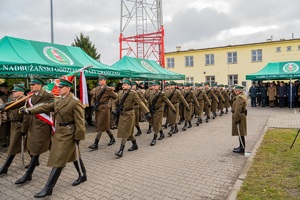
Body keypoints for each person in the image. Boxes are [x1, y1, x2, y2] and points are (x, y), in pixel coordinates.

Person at [20, 78, 86, 198]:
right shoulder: (58, 100)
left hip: (69, 133)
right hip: (59, 132)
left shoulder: (75, 102)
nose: (58, 89)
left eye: (61, 87)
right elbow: (45, 107)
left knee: (59, 159)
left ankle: (48, 188)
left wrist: (78, 137)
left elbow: (80, 122)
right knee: (73, 154)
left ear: (68, 88)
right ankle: (83, 175)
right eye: (58, 87)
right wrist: (29, 111)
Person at [15, 76, 55, 185]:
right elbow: (22, 104)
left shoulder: (47, 95)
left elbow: (54, 106)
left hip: (43, 125)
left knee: (37, 149)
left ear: (40, 85)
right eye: (31, 85)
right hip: (33, 124)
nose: (32, 86)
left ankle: (28, 174)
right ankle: (60, 162)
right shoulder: (31, 96)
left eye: (34, 84)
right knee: (52, 146)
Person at [113, 79, 150, 157]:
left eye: (125, 84)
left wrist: (147, 112)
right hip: (122, 114)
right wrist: (114, 110)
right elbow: (115, 102)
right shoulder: (120, 93)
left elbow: (140, 102)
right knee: (129, 132)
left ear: (129, 86)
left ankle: (121, 150)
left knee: (125, 132)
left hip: (129, 114)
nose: (123, 85)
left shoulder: (133, 93)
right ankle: (135, 145)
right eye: (123, 84)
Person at [0, 84, 27, 175]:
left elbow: (14, 105)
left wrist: (5, 104)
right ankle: (36, 161)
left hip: (20, 124)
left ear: (21, 92)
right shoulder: (15, 99)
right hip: (13, 124)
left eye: (16, 91)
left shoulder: (23, 100)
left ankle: (5, 167)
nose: (13, 93)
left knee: (13, 146)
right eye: (13, 91)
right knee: (27, 145)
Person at [89, 74, 118, 150]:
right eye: (99, 80)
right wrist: (93, 105)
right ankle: (112, 138)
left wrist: (110, 104)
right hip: (98, 108)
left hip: (105, 109)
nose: (100, 81)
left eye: (101, 80)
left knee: (100, 126)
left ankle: (96, 143)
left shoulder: (108, 89)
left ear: (104, 81)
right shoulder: (97, 89)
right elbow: (93, 98)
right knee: (104, 125)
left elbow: (116, 97)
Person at [148, 81, 175, 146]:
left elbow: (167, 101)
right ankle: (162, 134)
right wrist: (147, 111)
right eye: (153, 85)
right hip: (153, 111)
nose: (154, 87)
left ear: (159, 87)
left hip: (159, 111)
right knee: (154, 123)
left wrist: (173, 108)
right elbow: (149, 102)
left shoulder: (161, 94)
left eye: (155, 86)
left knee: (156, 124)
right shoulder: (151, 93)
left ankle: (154, 138)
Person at [231, 85, 248, 153]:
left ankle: (242, 148)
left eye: (236, 90)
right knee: (240, 132)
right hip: (242, 115)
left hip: (240, 116)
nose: (235, 92)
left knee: (241, 132)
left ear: (239, 91)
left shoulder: (239, 97)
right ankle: (241, 146)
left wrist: (236, 119)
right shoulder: (243, 96)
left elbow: (238, 109)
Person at [0, 82, 12, 148]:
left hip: (9, 114)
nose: (7, 89)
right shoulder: (1, 96)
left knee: (9, 129)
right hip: (4, 115)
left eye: (7, 88)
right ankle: (3, 141)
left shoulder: (10, 94)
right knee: (3, 130)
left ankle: (9, 141)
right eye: (5, 88)